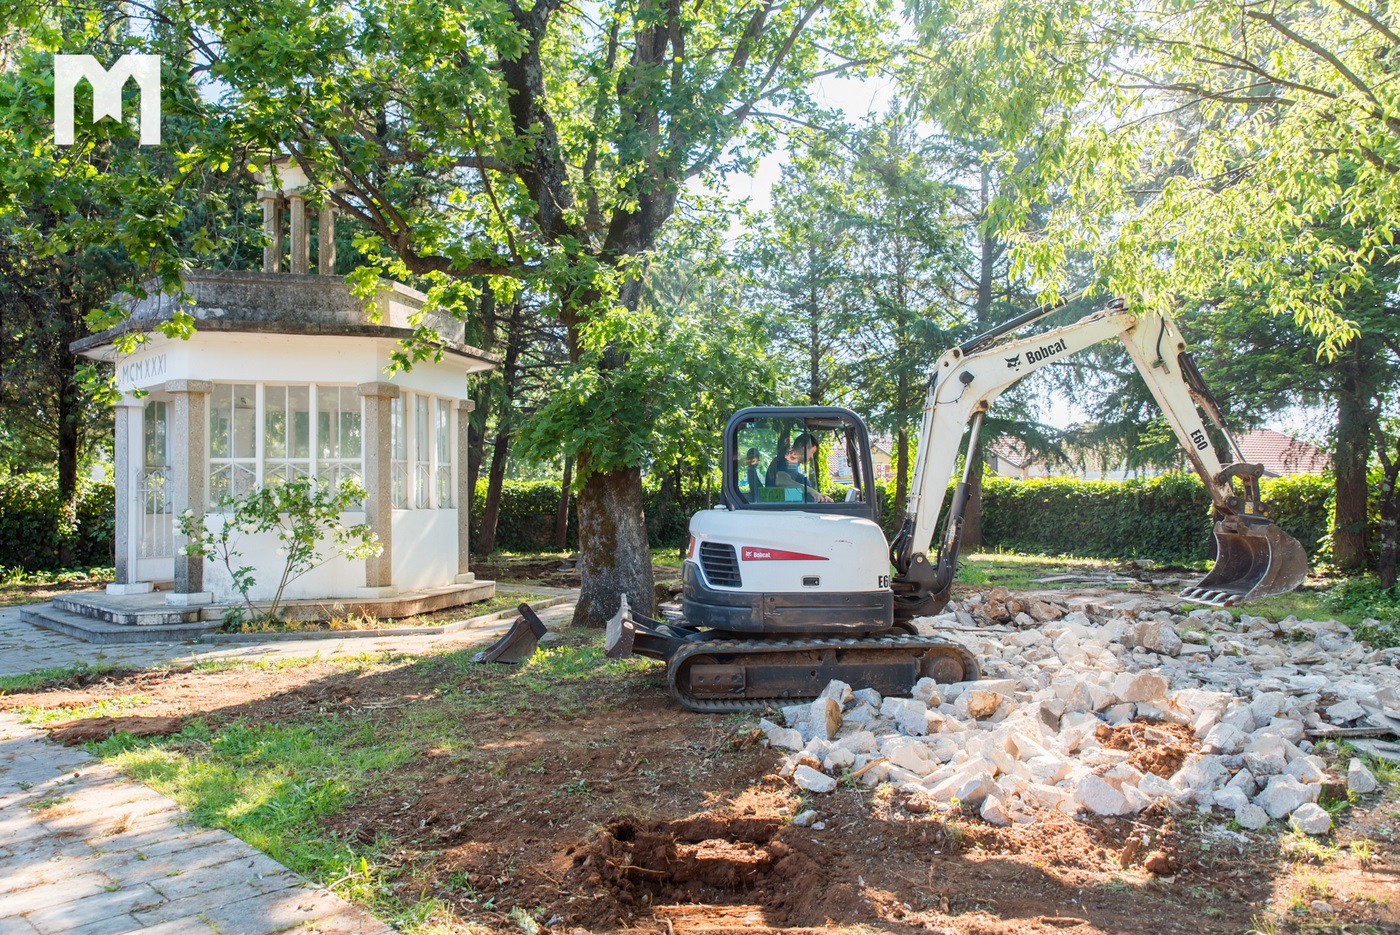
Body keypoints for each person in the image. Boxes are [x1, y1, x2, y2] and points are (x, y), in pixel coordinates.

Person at [765, 432, 833, 503]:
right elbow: (781, 481)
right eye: (812, 452)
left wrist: (819, 496)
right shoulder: (789, 459)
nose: (811, 457)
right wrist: (809, 490)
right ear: (804, 447)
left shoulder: (790, 460)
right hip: (780, 505)